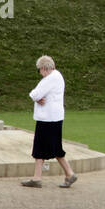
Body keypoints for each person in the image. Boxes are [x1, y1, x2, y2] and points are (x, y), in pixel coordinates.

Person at [23, 55, 77, 188]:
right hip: (55, 117)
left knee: (40, 147)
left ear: (43, 68)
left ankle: (38, 178)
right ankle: (69, 174)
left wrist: (36, 98)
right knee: (56, 147)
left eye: (39, 70)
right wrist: (38, 98)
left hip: (47, 118)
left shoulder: (50, 78)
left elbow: (35, 94)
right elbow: (39, 95)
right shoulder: (58, 76)